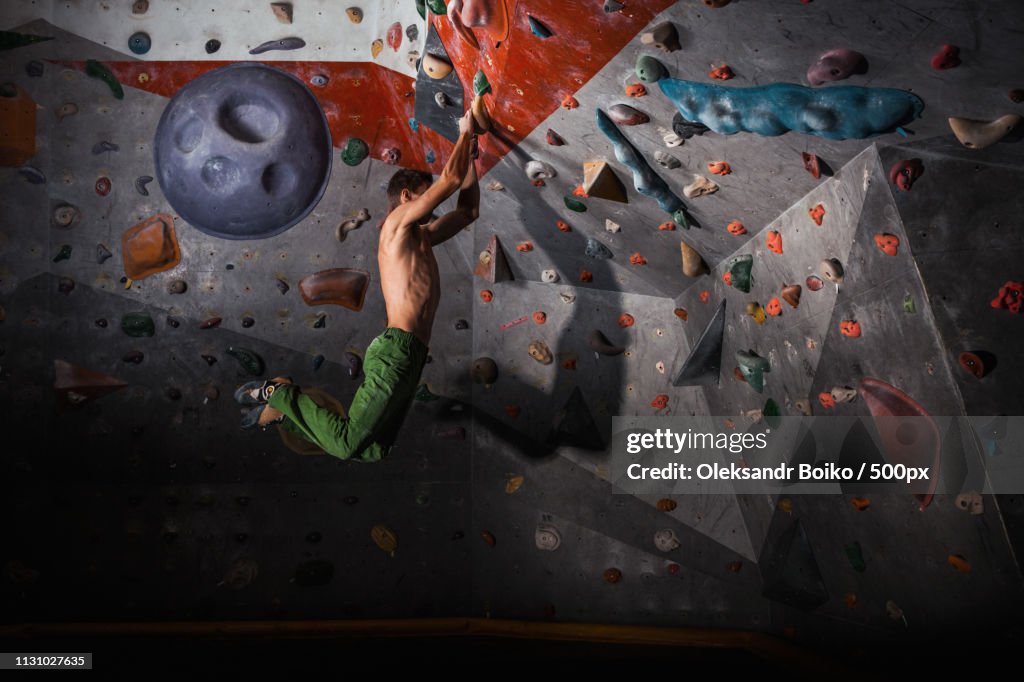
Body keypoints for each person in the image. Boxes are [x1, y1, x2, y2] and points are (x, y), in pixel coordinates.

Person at [235, 107, 481, 461]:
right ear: (406, 197)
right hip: (398, 350)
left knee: (374, 451)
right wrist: (466, 133)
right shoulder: (396, 226)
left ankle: (283, 416)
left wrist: (471, 158)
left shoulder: (422, 237)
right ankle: (276, 393)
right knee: (348, 444)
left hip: (411, 354)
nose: (433, 204)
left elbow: (468, 212)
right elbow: (450, 182)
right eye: (425, 195)